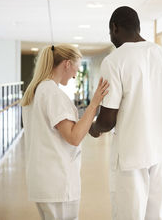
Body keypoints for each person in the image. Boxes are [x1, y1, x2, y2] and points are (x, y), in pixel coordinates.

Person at [89, 6, 162, 220]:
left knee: (128, 213)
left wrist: (92, 128)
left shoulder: (114, 61)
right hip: (159, 149)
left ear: (115, 28)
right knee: (156, 213)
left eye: (110, 33)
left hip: (130, 152)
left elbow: (107, 120)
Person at [21, 44, 109, 220]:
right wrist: (94, 103)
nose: (77, 74)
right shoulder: (52, 93)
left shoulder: (38, 90)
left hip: (44, 180)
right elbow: (74, 137)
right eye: (76, 67)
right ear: (67, 64)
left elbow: (61, 130)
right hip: (57, 183)